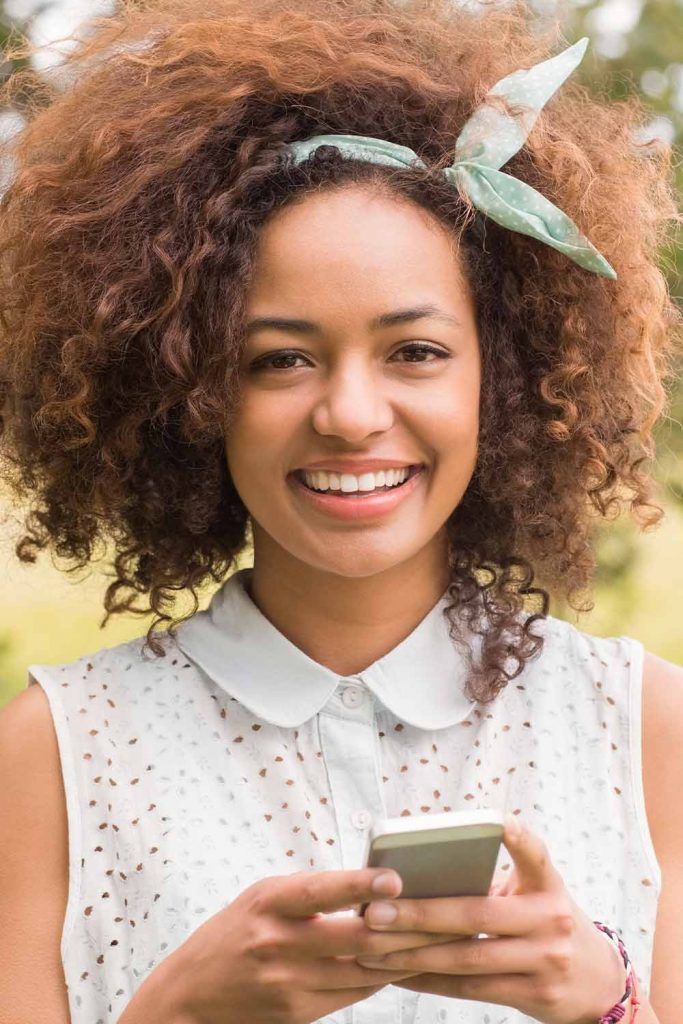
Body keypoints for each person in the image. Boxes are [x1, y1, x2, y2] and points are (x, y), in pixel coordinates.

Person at [0, 0, 681, 1021]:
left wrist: (611, 999)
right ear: (188, 390)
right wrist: (173, 1011)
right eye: (278, 358)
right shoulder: (53, 751)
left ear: (500, 375)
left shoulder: (645, 730)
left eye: (414, 351)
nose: (351, 415)